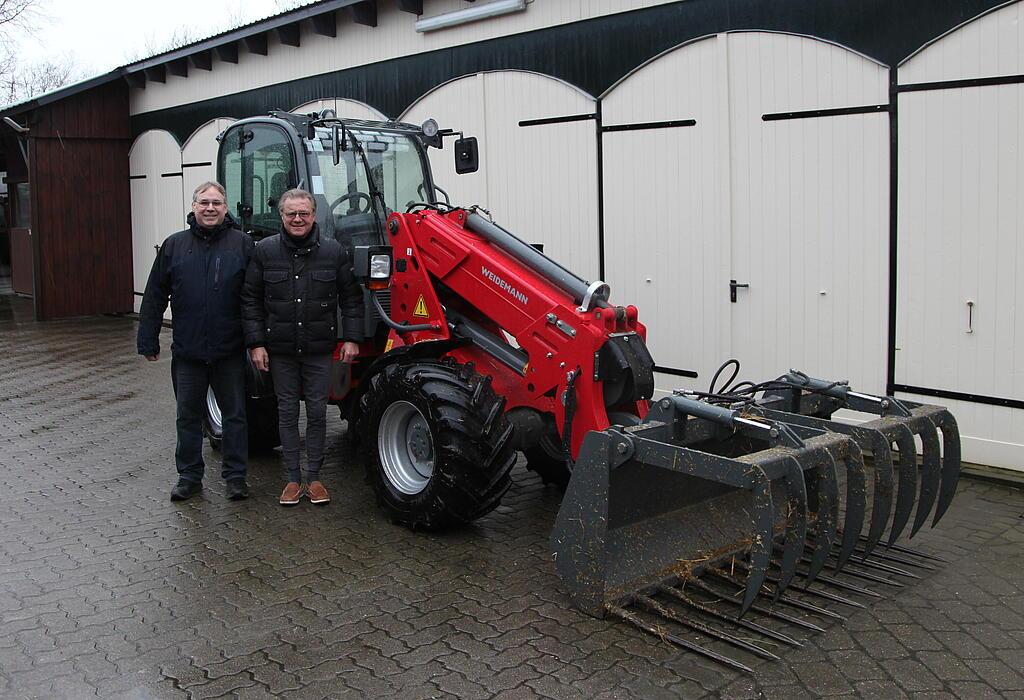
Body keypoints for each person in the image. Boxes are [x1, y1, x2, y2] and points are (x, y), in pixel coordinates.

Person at [242, 189, 363, 506]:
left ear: (314, 215)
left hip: (319, 349)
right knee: (286, 413)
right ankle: (293, 480)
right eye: (291, 213)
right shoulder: (265, 252)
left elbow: (351, 299)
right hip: (280, 350)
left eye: (304, 214)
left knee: (318, 414)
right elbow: (251, 301)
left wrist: (351, 338)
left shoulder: (333, 252)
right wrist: (256, 343)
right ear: (281, 216)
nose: (297, 219)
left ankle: (315, 478)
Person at [137, 182, 254, 501]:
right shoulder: (174, 246)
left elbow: (255, 297)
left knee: (235, 416)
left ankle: (236, 477)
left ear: (226, 208)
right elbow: (155, 295)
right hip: (188, 353)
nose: (210, 208)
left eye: (216, 203)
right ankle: (189, 477)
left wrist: (259, 342)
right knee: (187, 417)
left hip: (229, 350)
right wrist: (147, 340)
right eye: (204, 202)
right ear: (193, 206)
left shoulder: (242, 245)